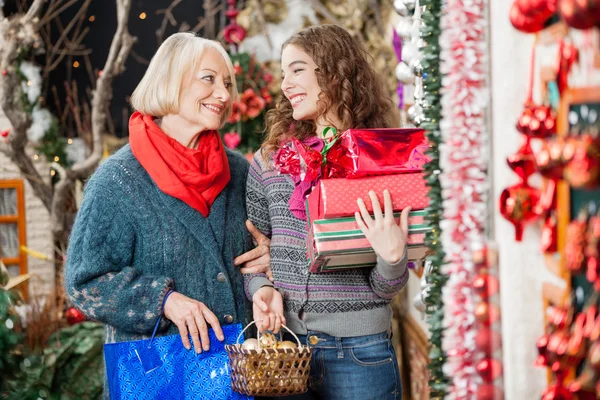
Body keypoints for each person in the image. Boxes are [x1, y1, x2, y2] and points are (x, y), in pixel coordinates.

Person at [64, 32, 274, 397]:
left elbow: (267, 256)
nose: (224, 95)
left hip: (241, 376)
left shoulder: (240, 173)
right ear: (171, 81)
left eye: (227, 83)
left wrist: (273, 258)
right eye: (208, 79)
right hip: (159, 379)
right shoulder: (118, 180)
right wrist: (163, 300)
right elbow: (83, 282)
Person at [244, 25, 411, 400]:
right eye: (284, 72)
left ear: (334, 73)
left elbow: (385, 288)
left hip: (360, 351)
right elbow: (250, 253)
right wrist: (263, 288)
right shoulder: (269, 161)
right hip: (284, 351)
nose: (286, 84)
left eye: (297, 69)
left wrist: (393, 258)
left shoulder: (378, 159)